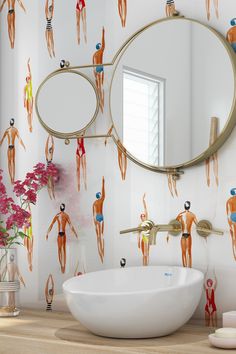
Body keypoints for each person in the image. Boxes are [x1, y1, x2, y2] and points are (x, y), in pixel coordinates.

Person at [46, 203, 78, 273]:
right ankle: (63, 266)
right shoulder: (65, 215)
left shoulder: (60, 215)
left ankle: (62, 266)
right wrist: (75, 233)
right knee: (62, 250)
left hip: (60, 235)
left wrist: (47, 233)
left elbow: (51, 224)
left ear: (60, 208)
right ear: (64, 208)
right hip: (62, 234)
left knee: (60, 250)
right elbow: (71, 226)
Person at [0, 118, 26, 184]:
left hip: (10, 147)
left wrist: (23, 146)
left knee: (11, 162)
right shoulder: (12, 130)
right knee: (11, 162)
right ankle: (12, 178)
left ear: (10, 123)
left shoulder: (10, 130)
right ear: (13, 123)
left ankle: (12, 178)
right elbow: (3, 139)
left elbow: (2, 139)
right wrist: (23, 146)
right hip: (11, 147)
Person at [176, 201, 198, 268]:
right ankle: (189, 268)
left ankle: (185, 268)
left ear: (184, 206)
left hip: (183, 235)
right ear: (189, 206)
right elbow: (198, 224)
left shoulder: (180, 215)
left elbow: (174, 224)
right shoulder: (192, 215)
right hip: (188, 234)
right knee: (188, 252)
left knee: (184, 252)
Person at [93, 177, 105, 263]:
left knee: (99, 235)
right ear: (99, 196)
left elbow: (93, 213)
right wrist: (103, 183)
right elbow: (104, 193)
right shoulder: (100, 201)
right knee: (101, 234)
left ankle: (101, 251)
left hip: (97, 217)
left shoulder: (95, 203)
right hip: (100, 216)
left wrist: (94, 221)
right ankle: (101, 251)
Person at [93, 27, 105, 113]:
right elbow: (104, 44)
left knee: (99, 85)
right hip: (101, 67)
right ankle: (101, 101)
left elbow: (93, 64)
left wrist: (94, 73)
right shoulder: (100, 52)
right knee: (101, 84)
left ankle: (100, 100)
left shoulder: (95, 54)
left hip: (97, 68)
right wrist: (103, 34)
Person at [138, 193, 150, 266]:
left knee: (147, 254)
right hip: (143, 239)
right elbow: (138, 234)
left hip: (146, 238)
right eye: (142, 216)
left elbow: (145, 209)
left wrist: (143, 200)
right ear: (141, 218)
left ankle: (146, 267)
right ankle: (144, 267)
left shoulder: (146, 221)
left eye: (144, 215)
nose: (144, 216)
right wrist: (138, 242)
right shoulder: (140, 225)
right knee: (144, 254)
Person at [24, 58, 33, 133]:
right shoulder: (26, 86)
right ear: (26, 80)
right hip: (28, 99)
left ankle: (30, 125)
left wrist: (28, 64)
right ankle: (29, 125)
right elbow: (24, 95)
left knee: (31, 112)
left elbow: (30, 72)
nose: (29, 78)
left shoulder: (30, 83)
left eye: (29, 78)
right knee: (29, 113)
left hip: (31, 99)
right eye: (28, 78)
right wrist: (24, 102)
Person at [226, 188, 236, 260]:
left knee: (234, 238)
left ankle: (235, 255)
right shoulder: (229, 201)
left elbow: (228, 214)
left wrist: (230, 224)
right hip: (233, 219)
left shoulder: (229, 201)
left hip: (232, 220)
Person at [23, 204, 33, 272]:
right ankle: (29, 264)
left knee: (30, 251)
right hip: (27, 237)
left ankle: (30, 263)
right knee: (29, 251)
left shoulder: (30, 220)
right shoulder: (25, 223)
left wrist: (28, 204)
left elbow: (30, 211)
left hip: (30, 236)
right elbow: (24, 232)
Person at [45, 134, 55, 199]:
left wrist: (51, 137)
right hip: (48, 169)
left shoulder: (51, 155)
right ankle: (50, 195)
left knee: (52, 183)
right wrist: (48, 138)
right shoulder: (47, 155)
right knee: (48, 183)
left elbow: (53, 145)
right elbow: (46, 146)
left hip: (51, 169)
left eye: (52, 150)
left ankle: (53, 194)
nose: (51, 151)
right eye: (50, 150)